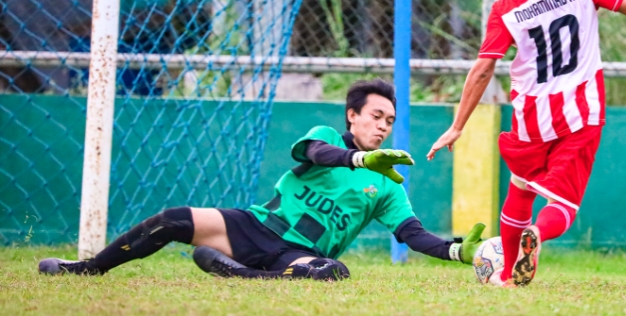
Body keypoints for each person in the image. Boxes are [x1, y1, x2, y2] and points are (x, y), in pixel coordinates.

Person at [427, 0, 626, 288]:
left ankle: (509, 275)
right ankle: (538, 234)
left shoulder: (505, 11)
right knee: (563, 203)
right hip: (581, 114)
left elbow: (481, 71)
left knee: (521, 188)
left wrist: (457, 125)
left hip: (531, 118)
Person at [40, 79, 486, 280]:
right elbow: (316, 153)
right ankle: (88, 268)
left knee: (333, 272)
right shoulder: (329, 138)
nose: (383, 126)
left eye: (389, 120)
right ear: (353, 115)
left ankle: (239, 276)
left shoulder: (388, 184)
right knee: (172, 219)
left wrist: (455, 250)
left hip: (296, 254)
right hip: (253, 227)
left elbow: (412, 234)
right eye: (375, 116)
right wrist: (356, 160)